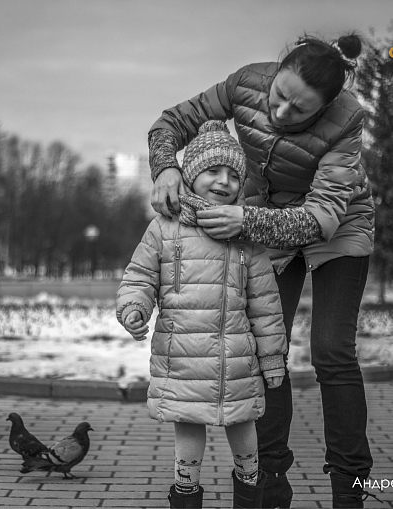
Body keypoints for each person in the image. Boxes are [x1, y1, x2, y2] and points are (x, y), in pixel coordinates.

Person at [147, 33, 375, 508]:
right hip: (263, 223)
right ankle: (270, 479)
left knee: (331, 350)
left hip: (336, 224)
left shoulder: (348, 121)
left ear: (328, 106)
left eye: (301, 109)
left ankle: (352, 487)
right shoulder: (245, 83)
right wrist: (167, 167)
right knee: (263, 344)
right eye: (280, 97)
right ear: (274, 74)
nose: (283, 113)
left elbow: (321, 218)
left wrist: (244, 219)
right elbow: (170, 122)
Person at [117, 121, 288, 509]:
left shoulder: (245, 236)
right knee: (189, 429)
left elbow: (265, 303)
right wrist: (134, 307)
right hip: (183, 357)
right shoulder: (164, 229)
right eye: (213, 171)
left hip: (236, 359)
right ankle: (186, 494)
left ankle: (249, 492)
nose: (224, 181)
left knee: (243, 424)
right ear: (191, 175)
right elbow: (140, 276)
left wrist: (272, 355)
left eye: (233, 175)